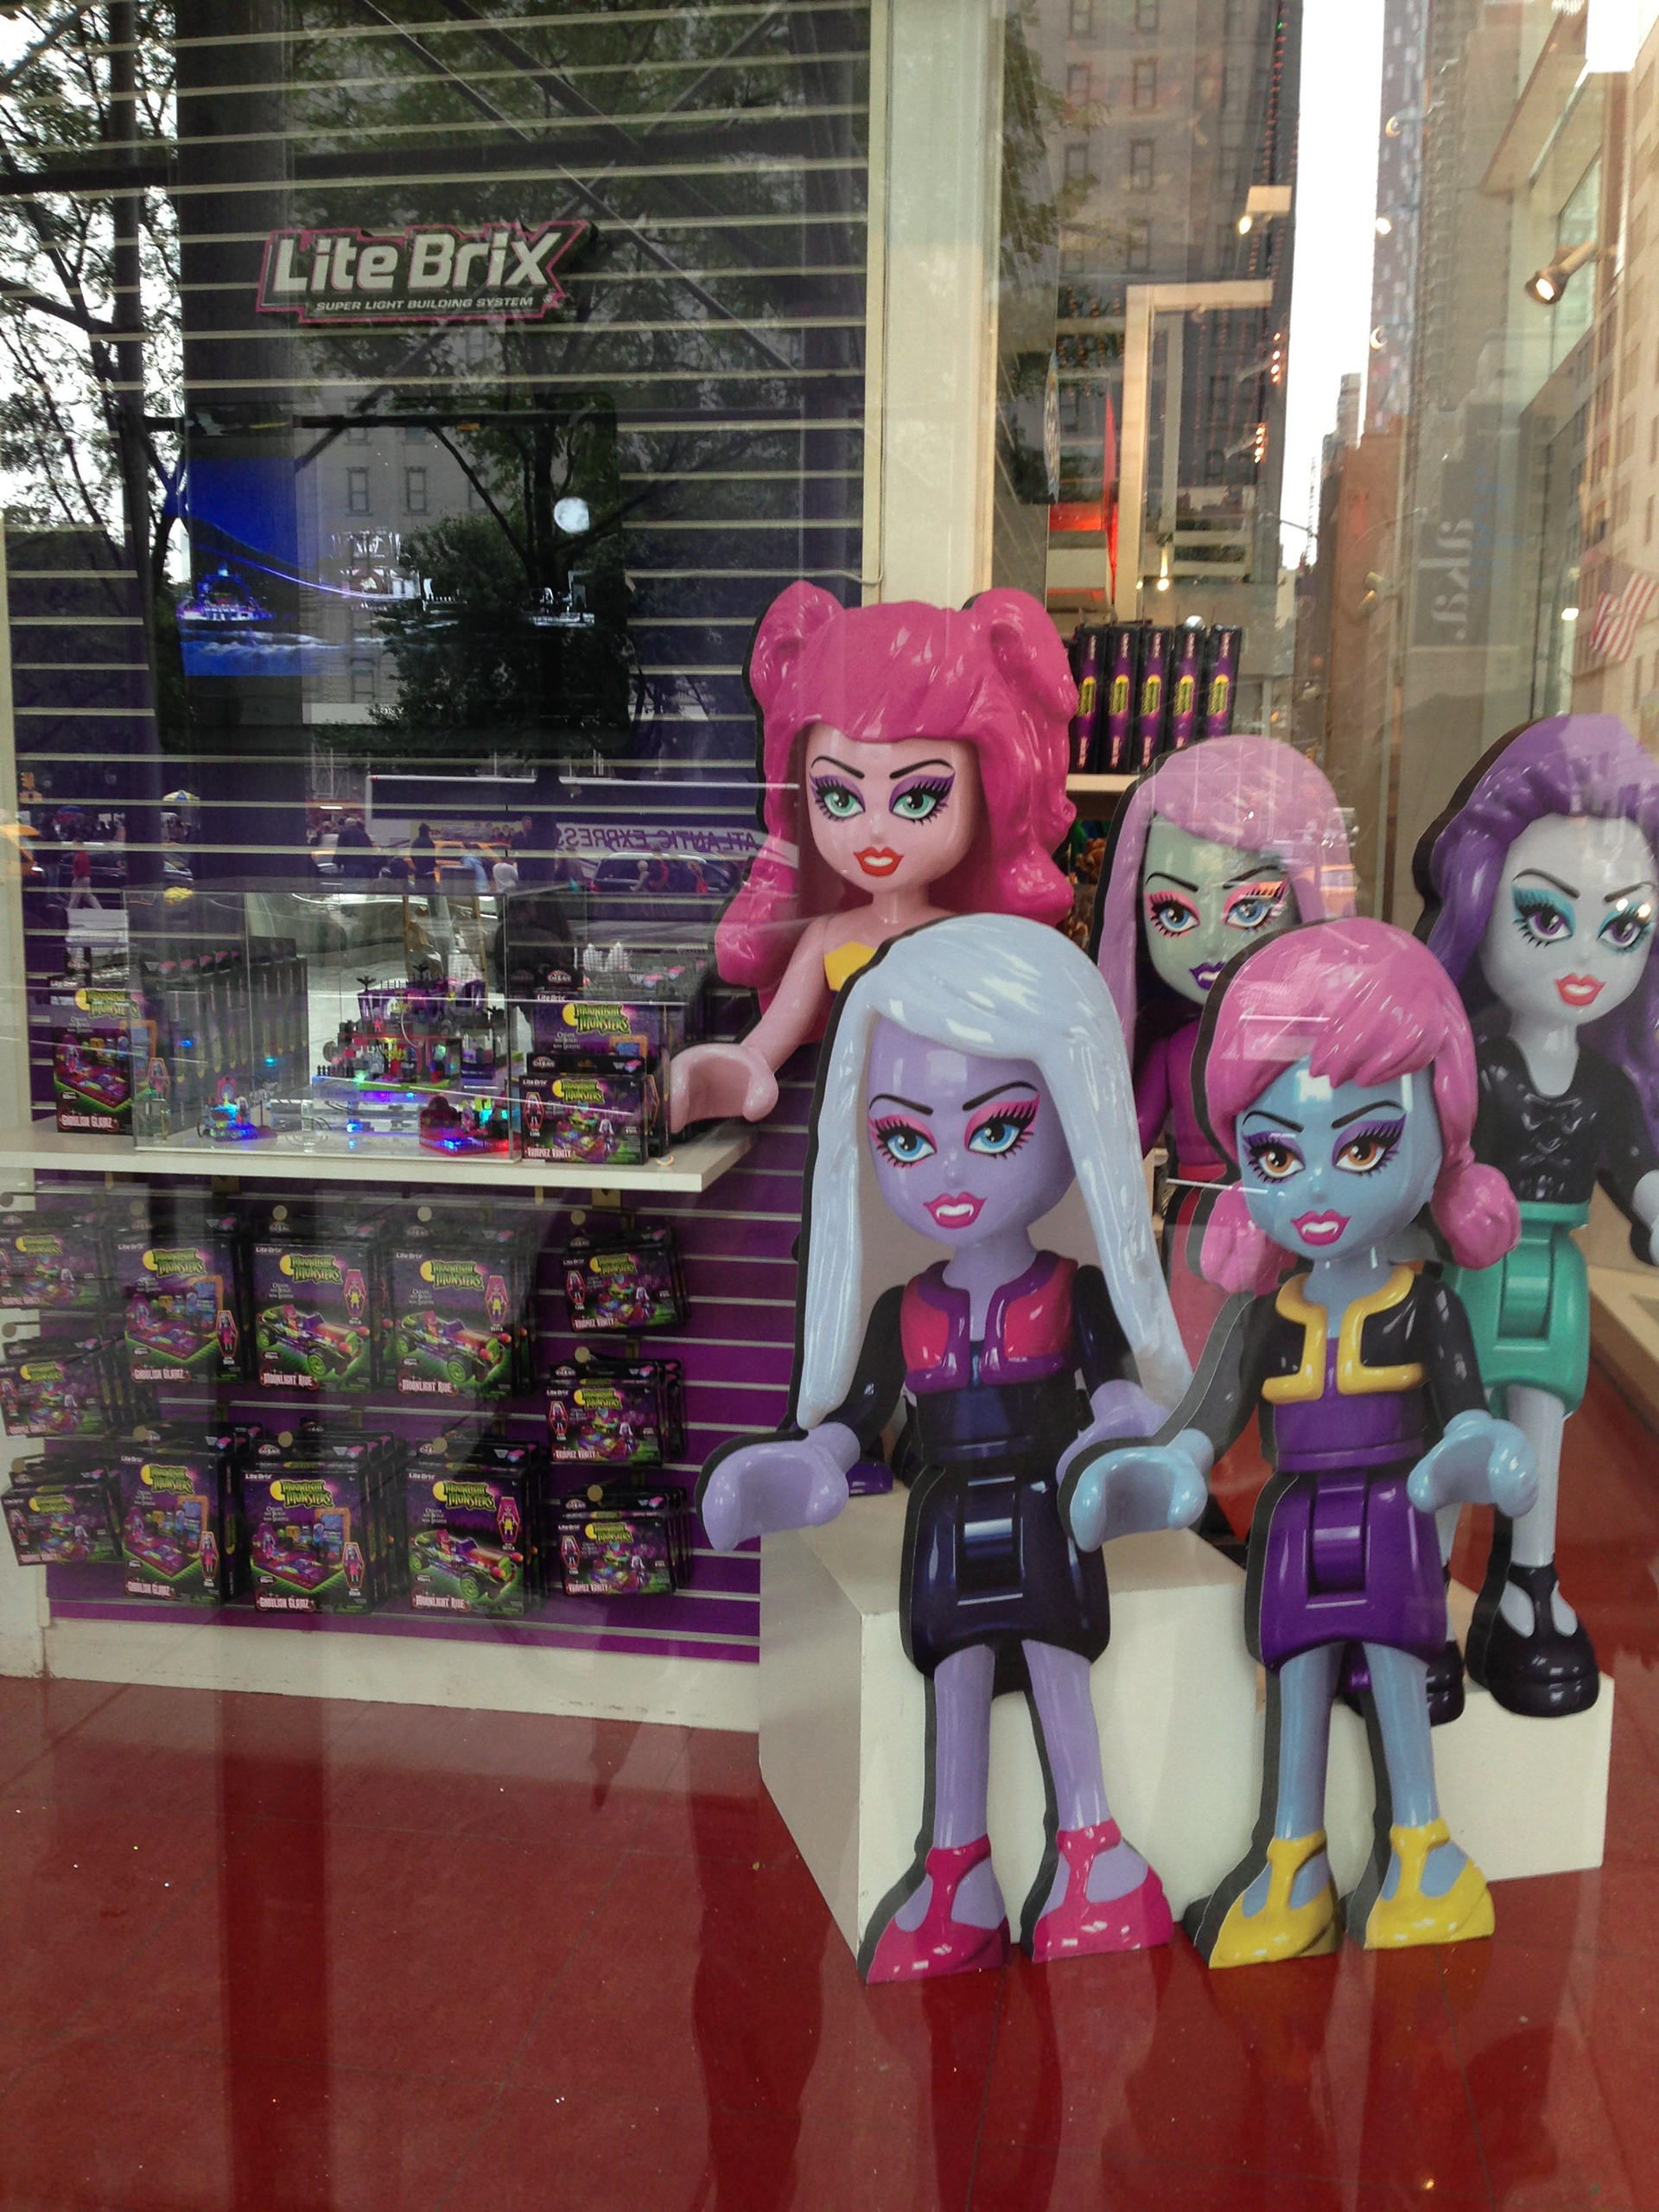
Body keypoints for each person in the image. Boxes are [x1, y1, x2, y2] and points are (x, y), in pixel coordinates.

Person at [698, 914, 1192, 1980]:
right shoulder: (902, 1309)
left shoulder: (1074, 1292)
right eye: (908, 1140)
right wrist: (808, 1462)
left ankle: (1093, 1849)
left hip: (1049, 1507)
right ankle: (956, 1867)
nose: (950, 1171)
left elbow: (1115, 1386)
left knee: (1061, 1667)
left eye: (999, 1127)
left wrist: (1127, 1429)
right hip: (946, 1514)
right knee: (954, 1678)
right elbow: (857, 1414)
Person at [1064, 919, 1532, 1964]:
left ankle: (1422, 1849)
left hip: (1395, 1516)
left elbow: (1464, 1409)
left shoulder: (1424, 1304)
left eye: (1362, 1148)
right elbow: (1206, 1423)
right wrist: (1163, 1468)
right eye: (1278, 1154)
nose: (1316, 1185)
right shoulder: (1265, 1316)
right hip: (1296, 1523)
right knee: (1299, 1682)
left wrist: (1477, 1451)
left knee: (1399, 1676)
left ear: (1443, 1127)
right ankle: (1292, 1862)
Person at [1414, 713, 1659, 1715]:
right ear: (1480, 900)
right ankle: (1422, 1591)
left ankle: (1528, 1583)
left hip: (1556, 1270)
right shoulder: (1471, 1060)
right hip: (1473, 1268)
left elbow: (1637, 1165)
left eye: (1623, 927)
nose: (1585, 956)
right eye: (1547, 918)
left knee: (1542, 1427)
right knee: (1450, 1425)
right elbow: (1425, 1153)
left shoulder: (1606, 1086)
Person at [669, 583, 1077, 1129]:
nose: (876, 831)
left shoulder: (973, 940)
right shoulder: (828, 938)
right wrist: (729, 1073)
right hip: (853, 1128)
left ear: (988, 795)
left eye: (918, 799)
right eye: (839, 799)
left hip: (954, 1130)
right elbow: (769, 1041)